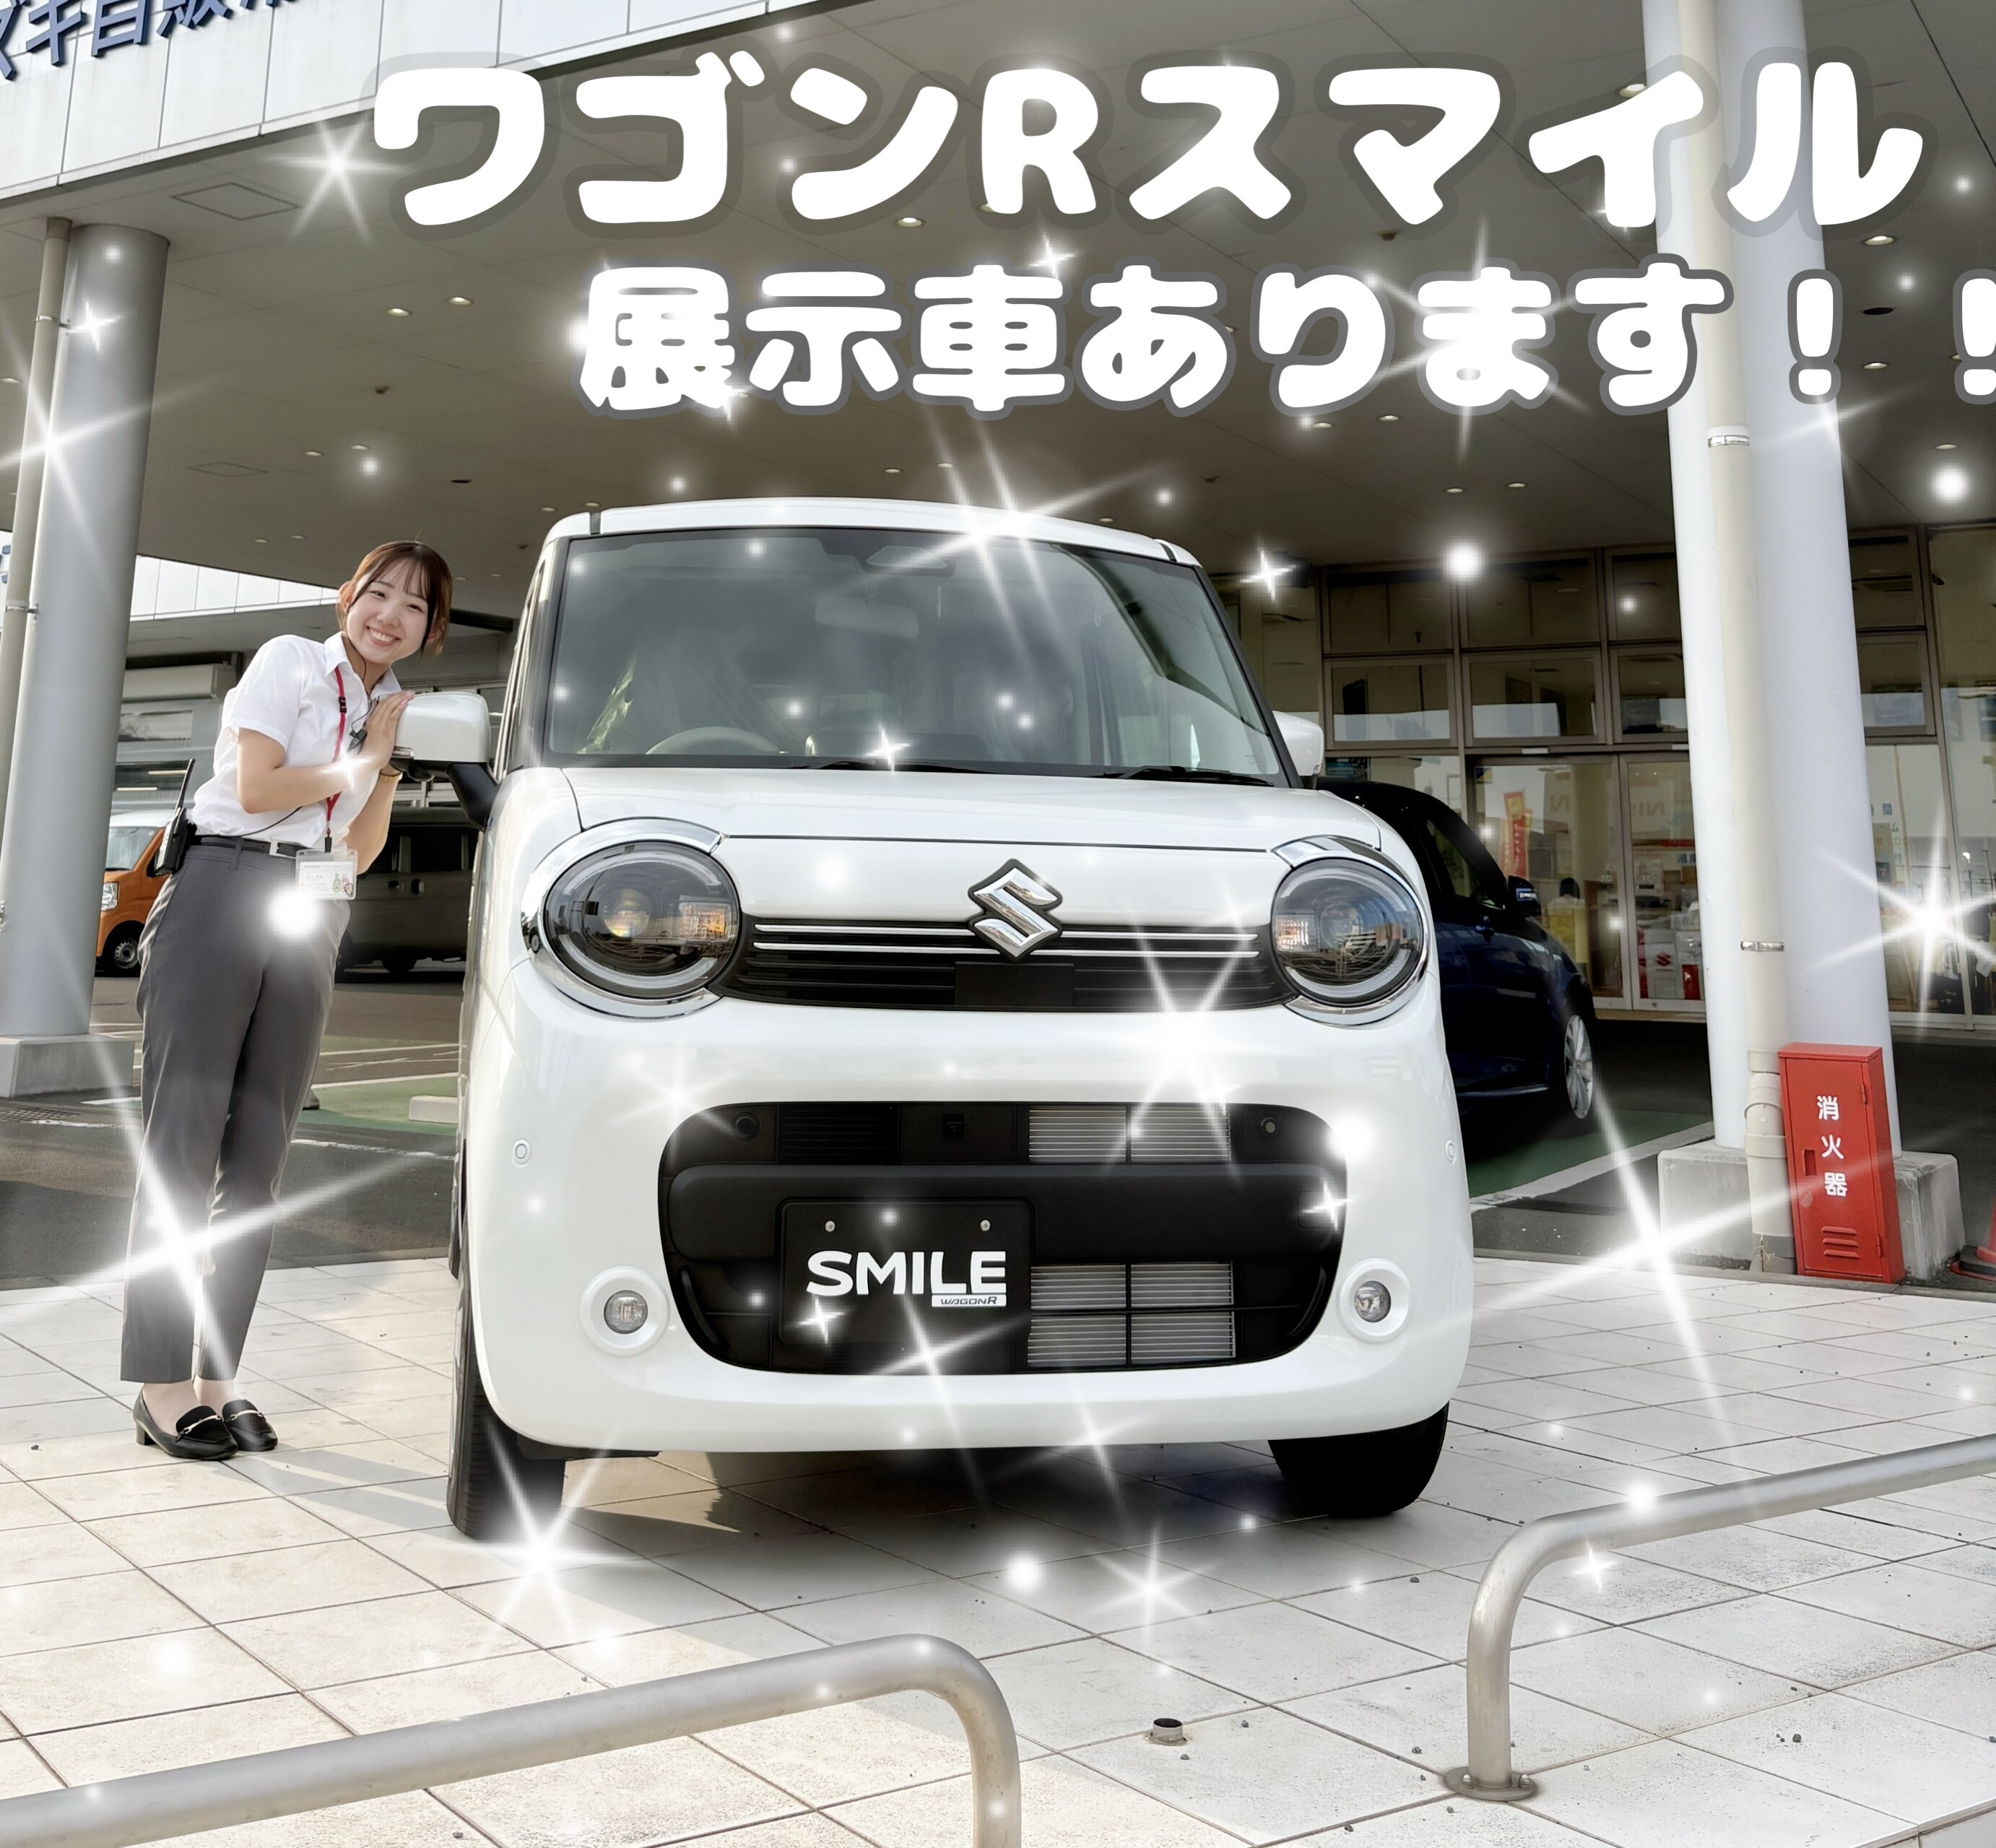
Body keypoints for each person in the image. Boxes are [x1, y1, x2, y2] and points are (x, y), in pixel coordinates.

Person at [121, 542, 454, 1459]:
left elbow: (361, 852)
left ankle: (218, 1380)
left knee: (259, 1154)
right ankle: (160, 1385)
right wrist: (362, 759)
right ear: (348, 596)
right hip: (223, 885)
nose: (390, 615)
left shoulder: (386, 707)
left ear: (431, 630)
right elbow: (259, 786)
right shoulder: (290, 662)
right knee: (183, 1144)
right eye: (379, 593)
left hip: (312, 904)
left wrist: (387, 765)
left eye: (415, 606)